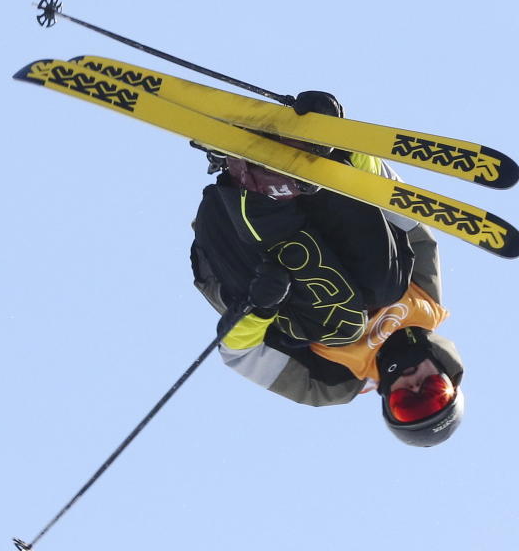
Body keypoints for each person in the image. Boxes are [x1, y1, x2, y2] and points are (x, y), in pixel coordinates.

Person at [189, 91, 465, 446]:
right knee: (384, 286)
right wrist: (346, 146)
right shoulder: (424, 295)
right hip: (308, 205)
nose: (414, 384)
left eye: (407, 402)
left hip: (238, 251)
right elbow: (395, 203)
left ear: (386, 400)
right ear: (448, 375)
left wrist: (260, 307)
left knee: (346, 324)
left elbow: (239, 354)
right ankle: (307, 161)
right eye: (432, 390)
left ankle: (253, 185)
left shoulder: (332, 383)